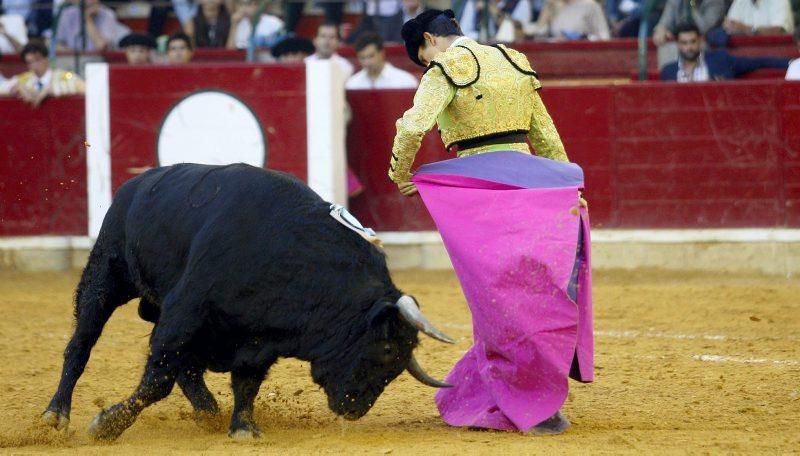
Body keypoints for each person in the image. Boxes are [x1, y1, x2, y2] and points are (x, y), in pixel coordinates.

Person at [389, 9, 592, 435]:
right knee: (536, 288)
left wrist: (400, 174)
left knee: (494, 296)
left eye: (424, 57)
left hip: (479, 190)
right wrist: (564, 187)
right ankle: (539, 395)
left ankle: (519, 396)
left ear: (429, 39)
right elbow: (547, 136)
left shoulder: (447, 66)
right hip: (533, 185)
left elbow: (412, 129)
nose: (428, 65)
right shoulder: (514, 59)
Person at [660, 23, 790, 81]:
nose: (689, 47)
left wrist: (793, 63)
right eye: (684, 43)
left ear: (699, 41)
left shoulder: (720, 60)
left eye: (692, 42)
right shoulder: (668, 71)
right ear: (677, 44)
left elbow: (759, 62)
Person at [6, 40, 85, 107]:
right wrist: (15, 89)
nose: (34, 66)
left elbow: (85, 88)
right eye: (29, 62)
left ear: (46, 59)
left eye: (37, 60)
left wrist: (50, 90)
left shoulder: (63, 76)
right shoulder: (22, 80)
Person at [346, 32, 418, 89]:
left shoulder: (405, 81)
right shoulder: (352, 84)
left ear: (381, 53)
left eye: (371, 56)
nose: (367, 62)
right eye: (362, 58)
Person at [55, 0, 125, 52]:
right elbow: (56, 46)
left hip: (97, 62)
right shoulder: (68, 14)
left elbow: (101, 46)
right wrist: (77, 54)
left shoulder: (107, 15)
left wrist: (88, 20)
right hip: (71, 61)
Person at [723, 0, 795, 36]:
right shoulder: (740, 1)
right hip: (745, 54)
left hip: (775, 55)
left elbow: (778, 30)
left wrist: (746, 29)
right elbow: (730, 26)